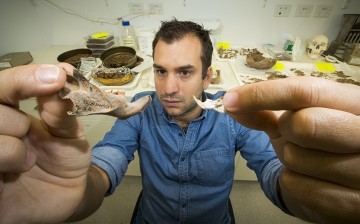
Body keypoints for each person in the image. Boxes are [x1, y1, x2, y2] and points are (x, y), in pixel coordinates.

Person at [0, 18, 359, 224]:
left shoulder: (234, 116)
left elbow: (270, 168)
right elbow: (103, 164)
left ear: (208, 76)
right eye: (160, 71)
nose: (168, 88)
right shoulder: (139, 109)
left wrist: (306, 192)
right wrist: (73, 191)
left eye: (185, 72)